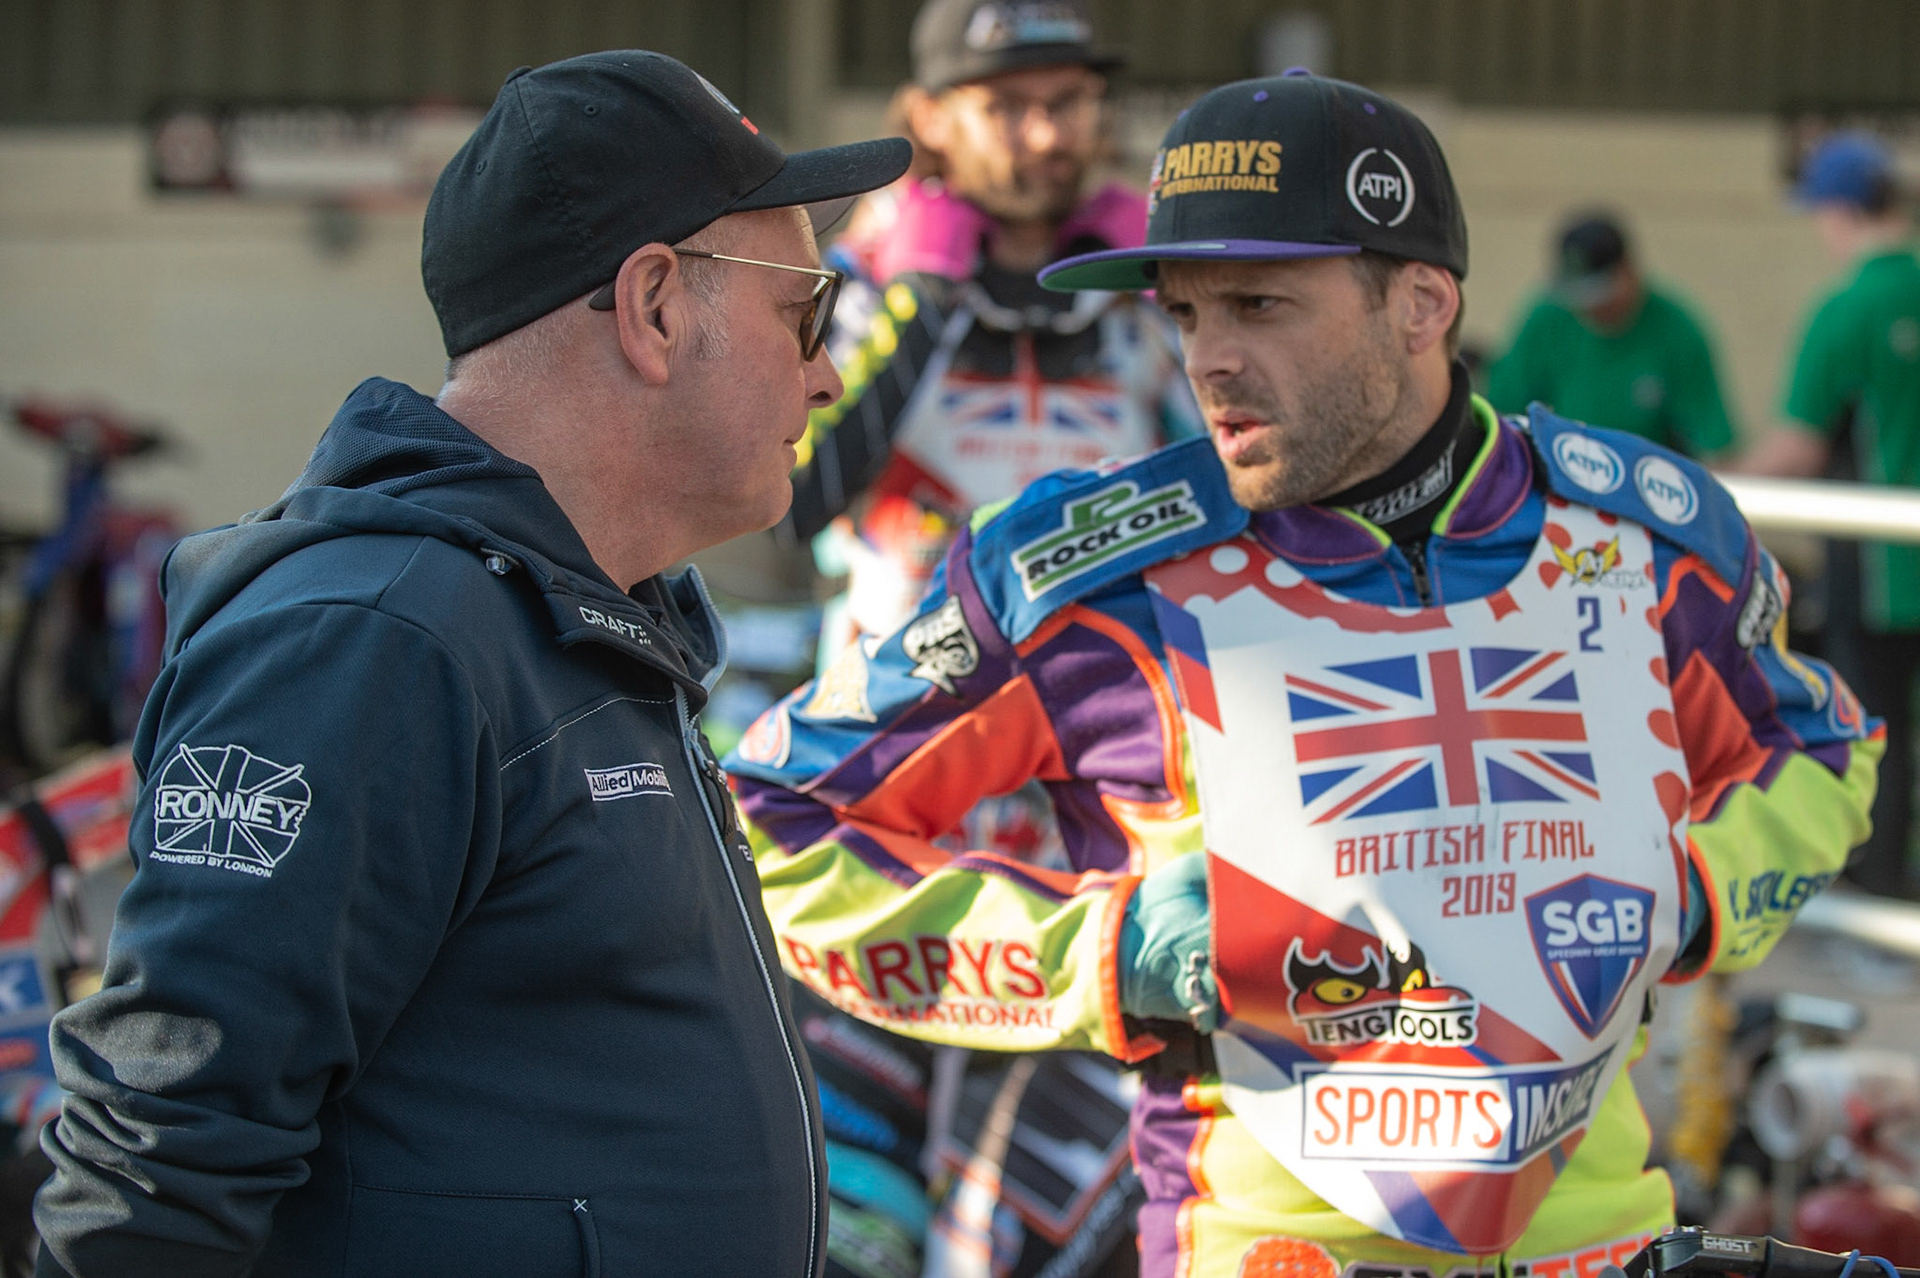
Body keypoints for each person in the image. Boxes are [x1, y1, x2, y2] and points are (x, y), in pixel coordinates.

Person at [726, 71, 1881, 1278]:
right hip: (1270, 1251)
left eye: (1260, 304)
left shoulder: (1644, 538)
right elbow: (771, 825)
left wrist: (1697, 889)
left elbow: (1824, 749)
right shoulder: (1087, 575)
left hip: (1601, 1244)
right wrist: (1104, 955)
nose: (1209, 361)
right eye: (1185, 314)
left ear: (1423, 303)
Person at [30, 51, 909, 1277]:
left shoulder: (570, 627)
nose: (825, 373)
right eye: (803, 311)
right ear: (655, 308)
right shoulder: (375, 642)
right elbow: (161, 1156)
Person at [783, 0, 1198, 656]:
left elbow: (1248, 492)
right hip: (903, 700)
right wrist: (917, 299)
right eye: (1006, 107)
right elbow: (790, 504)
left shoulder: (1144, 288)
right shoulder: (863, 278)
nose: (1046, 136)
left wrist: (1182, 297)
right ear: (931, 118)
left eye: (1068, 102)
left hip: (1112, 696)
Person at [1735, 131, 1920, 897]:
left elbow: (1798, 451)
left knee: (1873, 738)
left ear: (1841, 214)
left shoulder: (1848, 309)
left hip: (1882, 573)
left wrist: (1713, 483)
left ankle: (1879, 904)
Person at [1488, 211, 1738, 461]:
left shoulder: (1676, 329)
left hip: (1649, 481)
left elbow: (1714, 446)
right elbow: (1500, 414)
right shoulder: (1547, 317)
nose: (1590, 307)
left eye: (1600, 293)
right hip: (1557, 473)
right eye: (1578, 295)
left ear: (1629, 271)